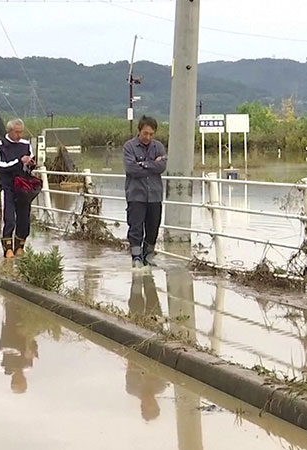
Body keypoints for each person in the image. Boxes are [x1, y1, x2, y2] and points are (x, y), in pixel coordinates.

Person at [123, 115, 167, 268]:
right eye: (145, 133)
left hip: (155, 195)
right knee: (135, 227)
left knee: (153, 226)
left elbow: (162, 167)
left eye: (151, 134)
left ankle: (148, 255)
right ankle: (136, 257)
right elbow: (131, 169)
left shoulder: (158, 147)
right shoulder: (129, 146)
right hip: (136, 194)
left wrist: (143, 164)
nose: (148, 137)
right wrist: (152, 165)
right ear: (139, 131)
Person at [126, 272, 166, 421]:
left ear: (142, 405)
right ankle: (143, 274)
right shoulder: (161, 386)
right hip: (150, 335)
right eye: (152, 404)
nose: (150, 401)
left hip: (142, 340)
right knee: (150, 303)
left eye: (149, 405)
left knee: (140, 305)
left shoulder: (132, 387)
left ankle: (143, 274)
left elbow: (131, 363)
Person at [0, 118, 34, 258]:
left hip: (23, 187)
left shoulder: (26, 144)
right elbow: (1, 165)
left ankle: (20, 246)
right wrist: (19, 161)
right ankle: (8, 249)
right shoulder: (0, 145)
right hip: (8, 187)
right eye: (17, 132)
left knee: (24, 219)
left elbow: (31, 162)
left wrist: (31, 163)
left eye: (21, 132)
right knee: (9, 218)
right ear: (9, 131)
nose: (19, 135)